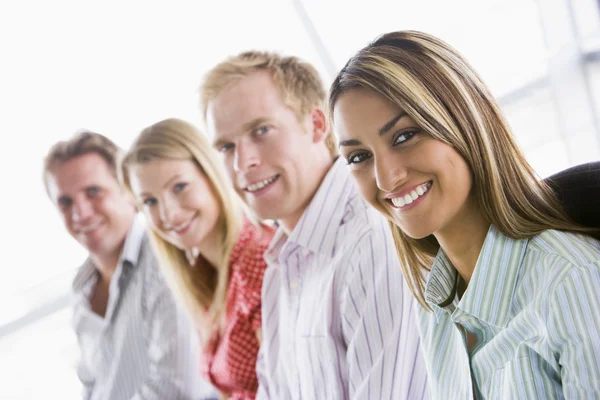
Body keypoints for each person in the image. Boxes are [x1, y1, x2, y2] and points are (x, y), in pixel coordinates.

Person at [328, 30, 600, 399]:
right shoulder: (436, 306)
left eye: (405, 136)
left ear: (465, 123)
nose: (386, 178)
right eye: (359, 157)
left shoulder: (570, 280)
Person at [201, 51, 428, 399]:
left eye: (261, 130)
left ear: (318, 126)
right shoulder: (280, 264)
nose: (243, 162)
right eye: (227, 146)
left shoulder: (372, 239)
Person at [43, 131, 214, 400]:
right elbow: (91, 383)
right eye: (65, 202)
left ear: (128, 191)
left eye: (93, 192)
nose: (81, 213)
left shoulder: (165, 260)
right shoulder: (81, 288)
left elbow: (176, 388)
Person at [120, 118, 275, 400]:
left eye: (179, 187)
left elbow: (285, 388)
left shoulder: (256, 260)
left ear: (211, 175)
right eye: (150, 201)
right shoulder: (206, 277)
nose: (169, 214)